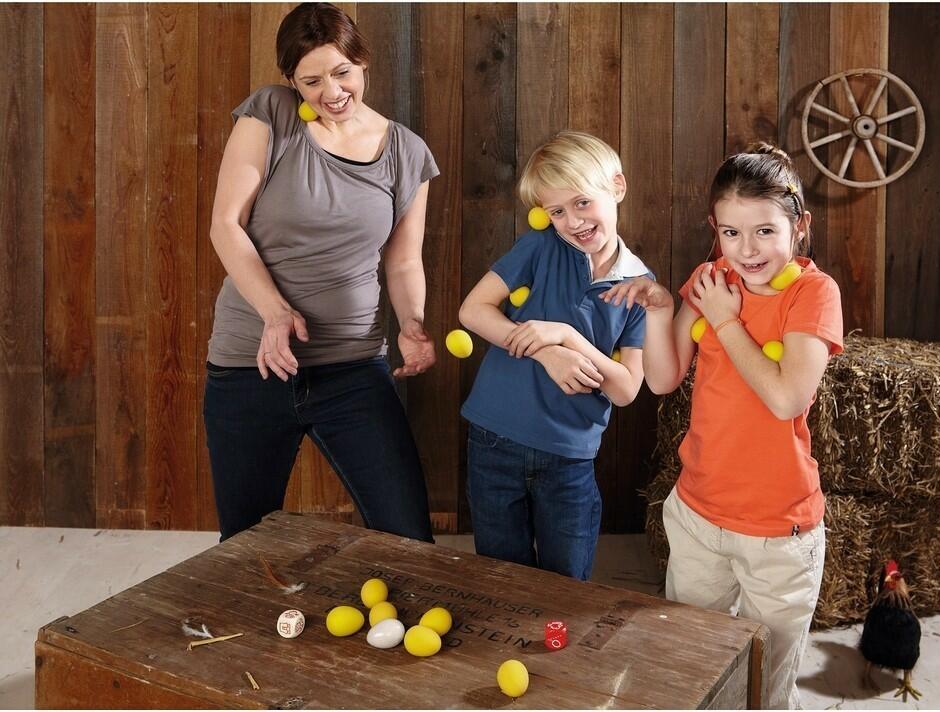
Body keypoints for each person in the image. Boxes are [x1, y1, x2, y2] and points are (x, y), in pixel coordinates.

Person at [602, 143, 843, 709]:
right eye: (731, 233)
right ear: (715, 229)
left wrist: (727, 322)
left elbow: (786, 398)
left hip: (778, 532)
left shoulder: (813, 293)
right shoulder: (710, 278)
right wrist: (662, 309)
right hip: (698, 516)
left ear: (800, 226)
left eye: (764, 231)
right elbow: (662, 379)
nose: (746, 250)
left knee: (765, 688)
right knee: (694, 668)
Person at [204, 2, 437, 542]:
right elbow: (225, 225)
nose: (331, 92)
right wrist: (275, 313)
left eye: (342, 73)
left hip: (353, 366)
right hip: (250, 366)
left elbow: (402, 260)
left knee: (409, 538)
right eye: (311, 81)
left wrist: (412, 323)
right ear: (291, 81)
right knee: (243, 545)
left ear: (363, 63)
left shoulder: (407, 153)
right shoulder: (271, 114)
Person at [458, 131, 650, 580]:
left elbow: (626, 389)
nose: (573, 222)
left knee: (567, 584)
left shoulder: (640, 286)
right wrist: (546, 353)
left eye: (582, 203)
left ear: (617, 187)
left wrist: (567, 338)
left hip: (569, 457)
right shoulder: (540, 247)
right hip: (495, 440)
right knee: (503, 578)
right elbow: (473, 310)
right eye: (557, 212)